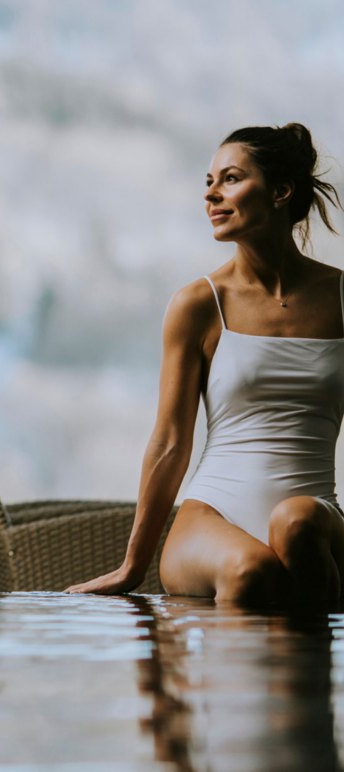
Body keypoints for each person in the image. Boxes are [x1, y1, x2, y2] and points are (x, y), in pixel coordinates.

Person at [66, 122, 344, 610]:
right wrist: (132, 565)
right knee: (250, 570)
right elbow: (171, 441)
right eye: (208, 182)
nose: (212, 194)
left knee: (296, 523)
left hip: (315, 517)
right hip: (213, 518)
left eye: (230, 179)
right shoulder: (198, 304)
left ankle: (304, 684)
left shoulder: (340, 297)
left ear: (280, 191)